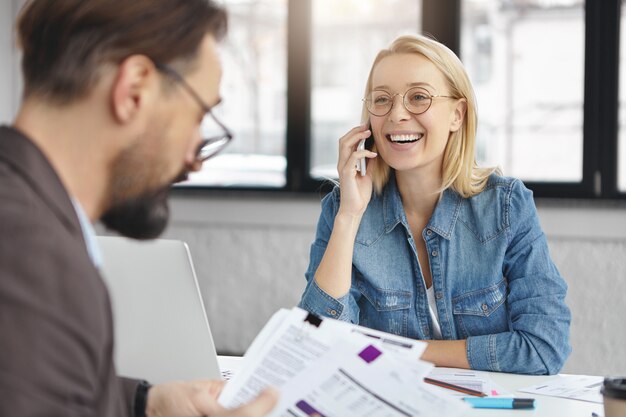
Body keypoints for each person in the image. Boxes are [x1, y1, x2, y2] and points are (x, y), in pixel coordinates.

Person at [0, 0, 277, 416]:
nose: (196, 158)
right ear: (134, 91)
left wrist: (147, 404)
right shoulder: (36, 262)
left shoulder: (24, 213)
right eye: (199, 115)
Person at [299, 34, 571, 375]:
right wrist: (349, 217)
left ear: (457, 115)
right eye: (382, 100)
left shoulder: (505, 207)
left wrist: (403, 352)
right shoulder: (343, 208)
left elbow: (544, 348)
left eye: (418, 98)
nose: (397, 114)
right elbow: (314, 345)